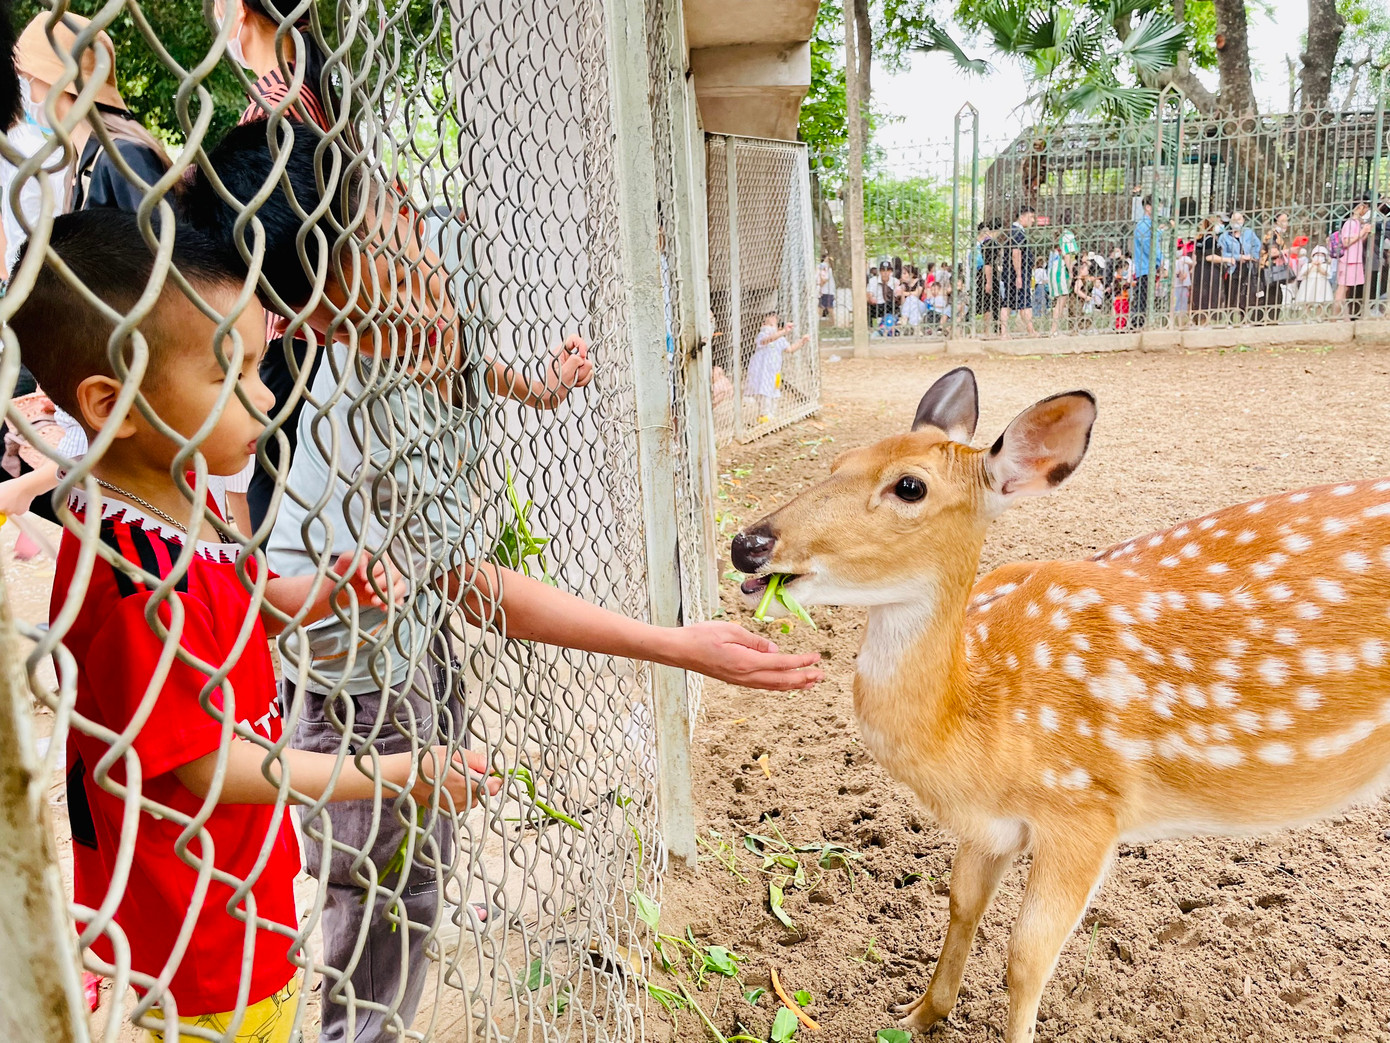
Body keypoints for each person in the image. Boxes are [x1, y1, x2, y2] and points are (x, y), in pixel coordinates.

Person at [185, 126, 822, 1043]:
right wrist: (674, 645)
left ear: (391, 202)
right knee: (380, 890)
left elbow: (456, 351)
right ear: (308, 325)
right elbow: (470, 586)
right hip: (345, 651)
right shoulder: (360, 393)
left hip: (406, 620)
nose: (385, 320)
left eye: (376, 265)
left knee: (423, 859)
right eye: (338, 317)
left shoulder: (449, 252)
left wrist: (532, 389)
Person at [9, 208, 499, 1043]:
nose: (266, 399)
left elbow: (236, 601)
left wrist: (315, 596)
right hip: (197, 922)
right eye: (230, 377)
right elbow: (206, 765)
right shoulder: (133, 580)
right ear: (114, 399)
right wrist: (393, 773)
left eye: (261, 367)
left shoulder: (175, 497)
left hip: (236, 878)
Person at [214, 0, 340, 533]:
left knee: (271, 507)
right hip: (318, 330)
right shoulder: (317, 90)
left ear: (237, 10)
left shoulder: (269, 108)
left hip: (285, 334)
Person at [14, 14, 171, 214]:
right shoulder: (79, 164)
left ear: (59, 82)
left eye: (25, 78)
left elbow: (168, 241)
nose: (22, 92)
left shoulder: (122, 156)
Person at [748, 312, 810, 421]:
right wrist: (783, 332)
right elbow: (767, 340)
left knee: (774, 392)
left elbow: (790, 349)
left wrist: (802, 341)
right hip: (762, 372)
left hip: (774, 372)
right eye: (767, 324)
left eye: (772, 325)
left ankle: (772, 413)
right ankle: (764, 414)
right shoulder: (762, 336)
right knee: (763, 393)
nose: (768, 328)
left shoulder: (781, 340)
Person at [1000, 205, 1036, 339]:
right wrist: (1019, 275)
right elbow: (1016, 254)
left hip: (1012, 274)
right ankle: (1031, 331)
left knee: (1008, 303)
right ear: (1022, 217)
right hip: (1017, 275)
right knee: (1025, 302)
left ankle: (1004, 332)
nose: (1033, 220)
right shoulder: (1017, 232)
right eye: (1030, 217)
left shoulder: (1014, 231)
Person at [1219, 211, 1261, 322]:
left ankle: (1244, 318)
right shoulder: (1225, 236)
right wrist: (1238, 257)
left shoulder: (1249, 233)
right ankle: (1229, 319)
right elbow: (1222, 253)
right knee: (1231, 294)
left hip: (1248, 268)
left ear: (1243, 221)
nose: (1237, 222)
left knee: (1246, 294)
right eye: (1234, 220)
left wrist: (1252, 256)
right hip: (1232, 269)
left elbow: (1257, 246)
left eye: (1239, 219)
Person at [1335, 199, 1374, 319]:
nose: (1366, 210)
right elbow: (1346, 241)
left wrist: (1366, 232)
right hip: (1348, 260)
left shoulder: (1357, 223)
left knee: (1347, 290)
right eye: (1365, 207)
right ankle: (1334, 316)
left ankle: (1345, 316)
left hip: (1355, 259)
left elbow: (1359, 241)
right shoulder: (1350, 223)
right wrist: (1362, 231)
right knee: (1342, 288)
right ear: (1359, 208)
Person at [1131, 196, 1163, 329]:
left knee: (1144, 298)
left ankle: (1140, 324)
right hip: (1145, 267)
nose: (1160, 209)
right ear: (1148, 207)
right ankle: (1136, 325)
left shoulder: (1149, 225)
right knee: (1142, 299)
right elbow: (1150, 246)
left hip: (1147, 267)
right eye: (1157, 206)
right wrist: (1160, 260)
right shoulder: (1144, 225)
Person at [1190, 215, 1226, 323]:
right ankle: (1207, 319)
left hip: (1199, 270)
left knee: (1200, 295)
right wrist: (1228, 259)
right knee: (1211, 295)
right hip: (1209, 271)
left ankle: (1199, 318)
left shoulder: (1200, 239)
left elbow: (1195, 257)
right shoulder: (1210, 240)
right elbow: (1210, 257)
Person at [972, 221, 999, 336]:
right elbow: (987, 263)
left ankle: (988, 330)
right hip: (985, 273)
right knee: (991, 304)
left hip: (979, 274)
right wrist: (988, 281)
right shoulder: (986, 244)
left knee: (987, 304)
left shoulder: (977, 244)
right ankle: (991, 330)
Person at [1294, 243, 1335, 312]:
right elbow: (1304, 273)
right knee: (1307, 301)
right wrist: (1313, 265)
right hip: (1309, 284)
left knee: (1320, 302)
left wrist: (1318, 266)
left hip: (1321, 285)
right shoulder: (1308, 265)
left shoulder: (1325, 266)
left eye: (1321, 255)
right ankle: (1307, 318)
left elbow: (1326, 273)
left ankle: (1319, 317)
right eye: (1317, 255)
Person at [1046, 237, 1071, 334]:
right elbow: (1067, 257)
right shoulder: (1062, 249)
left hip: (1053, 274)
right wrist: (1071, 272)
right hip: (1060, 275)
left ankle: (1055, 328)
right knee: (1061, 301)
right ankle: (1054, 329)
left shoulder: (1053, 252)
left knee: (1060, 302)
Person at [1173, 240, 1194, 318]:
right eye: (1177, 248)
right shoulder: (1173, 261)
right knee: (1176, 303)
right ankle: (1176, 318)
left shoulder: (1186, 258)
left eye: (1180, 248)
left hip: (1185, 285)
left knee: (1184, 302)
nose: (1179, 250)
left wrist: (1186, 264)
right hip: (1176, 285)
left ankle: (1183, 318)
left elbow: (1193, 264)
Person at [816, 254, 835, 318]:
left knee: (829, 307)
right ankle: (818, 321)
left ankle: (833, 322)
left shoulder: (827, 269)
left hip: (827, 291)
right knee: (821, 306)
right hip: (824, 291)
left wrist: (820, 285)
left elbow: (825, 279)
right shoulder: (823, 267)